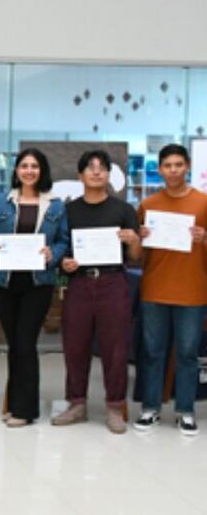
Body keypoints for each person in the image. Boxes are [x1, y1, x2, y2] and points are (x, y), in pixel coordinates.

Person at [53, 150, 141, 434]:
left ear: (108, 175)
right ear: (80, 176)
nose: (96, 172)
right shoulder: (68, 210)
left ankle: (115, 407)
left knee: (116, 347)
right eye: (90, 168)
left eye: (102, 168)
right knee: (75, 346)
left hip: (113, 282)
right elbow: (62, 252)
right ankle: (76, 403)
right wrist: (65, 263)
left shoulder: (124, 210)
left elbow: (136, 256)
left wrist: (133, 240)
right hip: (79, 282)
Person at [0, 147, 68, 427]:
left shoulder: (55, 205)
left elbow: (64, 240)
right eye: (24, 166)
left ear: (42, 171)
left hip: (37, 282)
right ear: (16, 170)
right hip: (4, 281)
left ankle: (25, 410)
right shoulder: (0, 203)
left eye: (34, 166)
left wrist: (53, 253)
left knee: (26, 343)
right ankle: (13, 403)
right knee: (13, 344)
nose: (29, 170)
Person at [133, 143, 207, 436]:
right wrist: (139, 236)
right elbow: (136, 256)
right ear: (160, 169)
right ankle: (150, 408)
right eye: (167, 165)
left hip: (193, 289)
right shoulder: (148, 205)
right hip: (154, 288)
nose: (173, 170)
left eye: (178, 164)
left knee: (188, 353)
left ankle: (186, 410)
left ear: (187, 166)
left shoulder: (203, 203)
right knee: (152, 352)